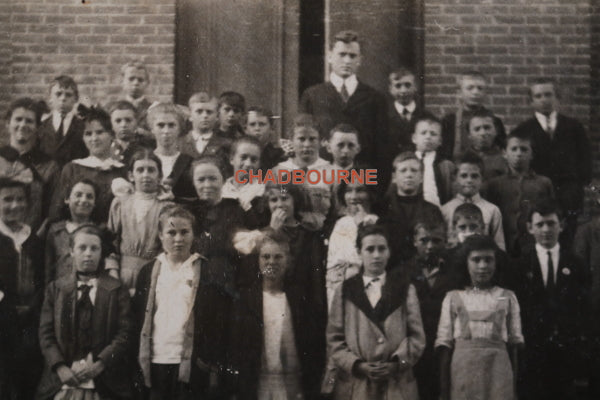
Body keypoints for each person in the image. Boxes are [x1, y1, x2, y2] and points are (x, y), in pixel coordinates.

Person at [134, 205, 230, 398]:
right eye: (171, 232)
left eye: (184, 232)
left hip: (191, 363)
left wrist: (205, 358)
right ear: (160, 235)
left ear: (194, 234)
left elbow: (217, 320)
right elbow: (137, 317)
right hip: (156, 360)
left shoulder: (207, 270)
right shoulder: (148, 271)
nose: (178, 239)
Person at [327, 223, 425, 400]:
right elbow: (334, 339)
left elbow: (417, 337)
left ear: (389, 252)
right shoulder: (345, 291)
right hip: (357, 385)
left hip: (396, 384)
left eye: (382, 249)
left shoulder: (404, 289)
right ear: (359, 252)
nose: (376, 255)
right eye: (370, 249)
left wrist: (397, 364)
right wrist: (357, 365)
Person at [36, 224, 133, 400]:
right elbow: (46, 333)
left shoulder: (117, 289)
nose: (88, 253)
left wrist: (101, 364)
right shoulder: (56, 289)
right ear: (71, 251)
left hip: (103, 378)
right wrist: (60, 368)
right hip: (64, 377)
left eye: (94, 248)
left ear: (101, 252)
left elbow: (124, 333)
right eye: (82, 248)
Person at [229, 234, 325, 400]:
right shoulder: (246, 299)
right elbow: (236, 347)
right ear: (258, 260)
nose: (271, 262)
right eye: (266, 256)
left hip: (293, 383)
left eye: (278, 257)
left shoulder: (300, 298)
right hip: (259, 384)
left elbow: (313, 345)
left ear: (288, 261)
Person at [436, 235, 524, 400]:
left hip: (498, 376)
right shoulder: (453, 298)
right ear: (465, 262)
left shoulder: (507, 297)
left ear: (496, 263)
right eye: (476, 260)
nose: (483, 266)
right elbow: (445, 346)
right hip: (463, 374)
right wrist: (444, 392)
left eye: (488, 260)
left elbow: (514, 345)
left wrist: (513, 389)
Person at [515, 200, 587, 400]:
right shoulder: (520, 266)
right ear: (530, 228)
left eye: (551, 223)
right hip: (532, 350)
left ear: (561, 226)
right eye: (539, 224)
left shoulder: (575, 264)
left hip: (566, 350)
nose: (546, 229)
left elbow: (583, 308)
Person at [510, 78, 592, 246]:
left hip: (569, 194)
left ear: (557, 97)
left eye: (548, 94)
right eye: (538, 96)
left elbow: (586, 160)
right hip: (538, 194)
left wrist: (576, 186)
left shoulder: (573, 127)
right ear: (531, 101)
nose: (544, 99)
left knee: (568, 239)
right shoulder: (524, 129)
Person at [299, 30, 387, 166]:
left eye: (352, 56)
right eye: (342, 55)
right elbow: (304, 140)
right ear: (329, 57)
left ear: (360, 60)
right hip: (322, 176)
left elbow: (382, 148)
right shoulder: (312, 95)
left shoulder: (375, 98)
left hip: (361, 179)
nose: (347, 60)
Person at [0, 178, 45, 399]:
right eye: (7, 199)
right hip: (2, 320)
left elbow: (43, 280)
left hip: (30, 322)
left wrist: (31, 308)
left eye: (20, 199)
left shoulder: (34, 240)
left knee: (28, 378)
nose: (15, 205)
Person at [406, 216, 458, 400]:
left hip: (445, 352)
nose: (429, 246)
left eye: (436, 240)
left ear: (445, 241)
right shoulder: (401, 274)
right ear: (414, 241)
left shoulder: (456, 274)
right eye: (423, 240)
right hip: (412, 352)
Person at [108, 149, 174, 293]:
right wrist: (113, 273)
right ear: (131, 175)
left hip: (153, 276)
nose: (145, 175)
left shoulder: (167, 208)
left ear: (159, 176)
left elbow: (169, 249)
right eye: (140, 170)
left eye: (151, 170)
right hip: (120, 275)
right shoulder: (120, 204)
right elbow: (110, 242)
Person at [49, 106, 126, 223]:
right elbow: (57, 210)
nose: (94, 138)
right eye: (88, 134)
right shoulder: (73, 169)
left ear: (111, 135)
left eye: (100, 132)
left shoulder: (121, 170)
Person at [485, 131, 554, 255]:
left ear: (532, 154)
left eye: (524, 149)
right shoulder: (495, 184)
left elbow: (550, 213)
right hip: (503, 244)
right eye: (514, 149)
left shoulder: (543, 183)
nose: (518, 153)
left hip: (532, 245)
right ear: (504, 153)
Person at [1, 97, 59, 232]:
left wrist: (34, 240)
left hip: (32, 240)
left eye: (29, 121)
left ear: (38, 127)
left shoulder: (49, 166)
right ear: (7, 123)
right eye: (18, 119)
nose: (23, 125)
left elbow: (52, 212)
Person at [374, 151, 442, 265]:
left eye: (414, 170)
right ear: (394, 177)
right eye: (403, 170)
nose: (409, 174)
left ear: (421, 177)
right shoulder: (381, 209)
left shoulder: (432, 210)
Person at [45, 179, 112, 283]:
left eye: (89, 197)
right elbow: (48, 268)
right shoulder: (56, 230)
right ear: (67, 199)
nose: (84, 200)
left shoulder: (102, 230)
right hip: (61, 291)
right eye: (78, 195)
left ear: (95, 203)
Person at [326, 181, 378, 308]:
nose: (353, 197)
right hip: (336, 286)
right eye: (349, 191)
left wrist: (362, 226)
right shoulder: (339, 223)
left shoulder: (375, 222)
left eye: (360, 190)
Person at [441, 151, 505, 250]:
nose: (469, 180)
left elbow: (499, 247)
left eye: (474, 176)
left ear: (482, 179)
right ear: (455, 178)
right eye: (464, 176)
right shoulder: (445, 210)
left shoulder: (492, 210)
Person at [440, 71, 506, 160]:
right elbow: (444, 154)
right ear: (459, 93)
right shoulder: (449, 121)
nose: (475, 92)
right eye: (470, 88)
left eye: (480, 88)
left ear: (485, 93)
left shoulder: (495, 121)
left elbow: (502, 151)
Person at [147, 103, 196, 204]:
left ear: (179, 129)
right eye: (160, 125)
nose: (166, 131)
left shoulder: (190, 163)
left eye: (171, 125)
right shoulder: (145, 160)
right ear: (152, 129)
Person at [38, 75, 88, 166]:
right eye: (58, 94)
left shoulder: (83, 127)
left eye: (68, 95)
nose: (63, 98)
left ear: (75, 99)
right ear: (50, 98)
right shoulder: (41, 127)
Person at [412, 114, 455, 206]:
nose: (428, 137)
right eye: (423, 133)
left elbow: (452, 193)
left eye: (433, 134)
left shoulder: (446, 165)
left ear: (440, 141)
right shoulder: (404, 162)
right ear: (414, 138)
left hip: (437, 210)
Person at [179, 92, 232, 163]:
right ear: (190, 115)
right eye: (199, 111)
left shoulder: (226, 145)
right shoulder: (179, 144)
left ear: (217, 116)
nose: (204, 116)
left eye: (209, 112)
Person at [466, 110, 508, 181]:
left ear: (496, 131)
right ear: (469, 135)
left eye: (487, 128)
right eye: (477, 129)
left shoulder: (505, 159)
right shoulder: (462, 159)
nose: (483, 133)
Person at [244, 106, 286, 171]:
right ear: (245, 129)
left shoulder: (280, 157)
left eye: (261, 124)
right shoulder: (240, 155)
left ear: (271, 128)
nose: (257, 128)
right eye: (252, 124)